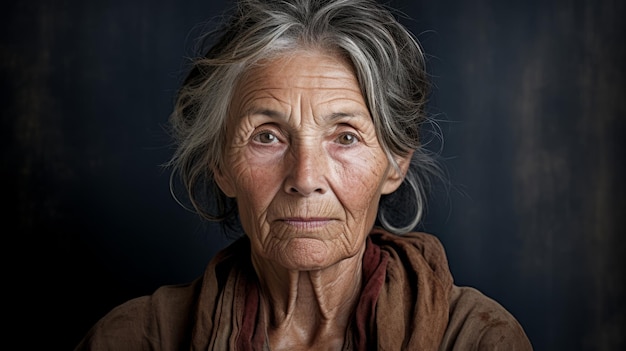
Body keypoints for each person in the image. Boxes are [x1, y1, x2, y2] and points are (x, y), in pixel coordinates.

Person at [75, 0, 533, 349]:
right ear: (221, 165)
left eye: (346, 137)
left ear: (396, 162)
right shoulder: (138, 338)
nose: (305, 176)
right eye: (268, 137)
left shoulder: (473, 337)